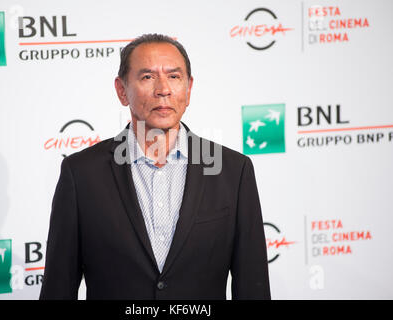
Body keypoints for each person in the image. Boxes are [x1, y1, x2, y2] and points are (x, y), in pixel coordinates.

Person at [39, 34, 270, 300]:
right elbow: (58, 286)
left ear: (189, 88)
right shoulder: (81, 174)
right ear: (122, 90)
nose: (163, 89)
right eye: (148, 77)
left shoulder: (233, 170)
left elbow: (253, 285)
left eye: (174, 76)